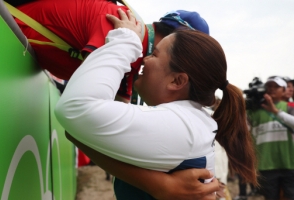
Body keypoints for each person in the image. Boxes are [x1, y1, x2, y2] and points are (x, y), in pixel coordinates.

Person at [55, 9, 258, 199]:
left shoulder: (181, 125)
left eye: (154, 54)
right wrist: (159, 185)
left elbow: (76, 108)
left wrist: (126, 41)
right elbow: (76, 125)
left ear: (177, 81)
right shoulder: (187, 119)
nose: (143, 58)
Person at [9, 0, 209, 103]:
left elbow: (119, 109)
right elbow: (89, 103)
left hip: (15, 56)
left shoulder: (136, 53)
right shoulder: (119, 23)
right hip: (5, 33)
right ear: (173, 41)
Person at [247, 76, 294, 200]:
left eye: (276, 87)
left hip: (289, 163)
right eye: (269, 87)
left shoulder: (290, 105)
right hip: (265, 165)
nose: (272, 89)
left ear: (284, 90)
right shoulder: (254, 111)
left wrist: (276, 111)